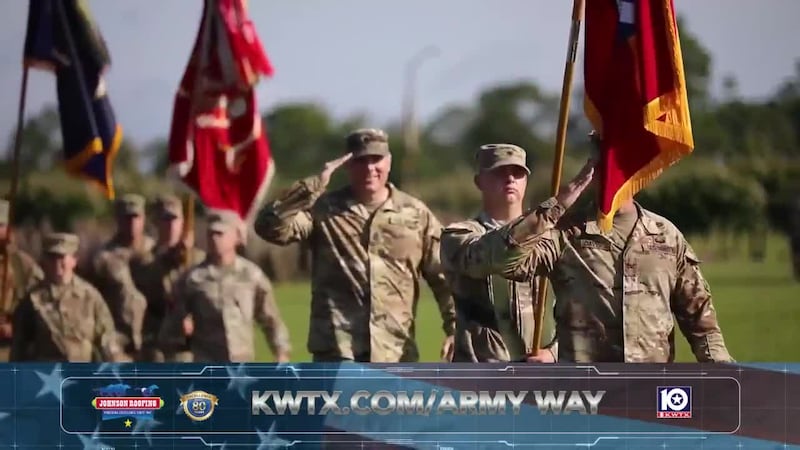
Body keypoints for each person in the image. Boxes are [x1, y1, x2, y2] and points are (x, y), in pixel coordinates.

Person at [445, 138, 733, 363]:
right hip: (582, 394)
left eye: (621, 162)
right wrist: (558, 204)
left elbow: (700, 319)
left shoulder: (666, 236)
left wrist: (725, 377)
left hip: (651, 389)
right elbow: (507, 262)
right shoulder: (564, 234)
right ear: (592, 169)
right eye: (604, 163)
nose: (614, 172)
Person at [254, 128, 456, 363]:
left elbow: (446, 275)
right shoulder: (324, 210)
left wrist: (454, 328)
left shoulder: (417, 215)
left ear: (388, 162)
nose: (370, 168)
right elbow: (270, 228)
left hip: (396, 354)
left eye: (376, 159)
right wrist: (309, 188)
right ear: (347, 165)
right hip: (338, 355)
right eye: (361, 161)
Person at [441, 144, 584, 362]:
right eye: (499, 172)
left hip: (540, 378)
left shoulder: (553, 238)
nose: (510, 179)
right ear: (479, 182)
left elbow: (577, 311)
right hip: (480, 378)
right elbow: (497, 256)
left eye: (517, 173)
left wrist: (553, 353)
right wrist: (554, 208)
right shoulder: (458, 236)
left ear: (526, 181)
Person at [162, 210, 291, 362]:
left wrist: (281, 353)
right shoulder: (192, 279)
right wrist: (181, 327)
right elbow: (169, 332)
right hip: (207, 366)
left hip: (242, 366)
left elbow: (271, 320)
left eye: (220, 234)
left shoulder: (251, 276)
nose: (214, 239)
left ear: (236, 237)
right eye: (211, 234)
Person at [10, 233, 125, 362]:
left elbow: (107, 339)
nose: (57, 264)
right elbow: (20, 347)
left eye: (62, 257)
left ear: (74, 260)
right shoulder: (32, 300)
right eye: (52, 258)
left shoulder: (90, 297)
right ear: (44, 261)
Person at [86, 194, 154, 361]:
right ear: (117, 219)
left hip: (152, 338)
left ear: (144, 219)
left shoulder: (156, 252)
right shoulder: (103, 258)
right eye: (127, 218)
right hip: (117, 340)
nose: (132, 223)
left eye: (136, 217)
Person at [139, 194, 205, 362]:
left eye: (174, 219)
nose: (170, 225)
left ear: (183, 223)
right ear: (156, 222)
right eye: (165, 219)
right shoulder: (144, 261)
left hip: (189, 347)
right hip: (155, 347)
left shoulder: (198, 259)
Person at [0, 199, 44, 361]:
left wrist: (15, 327)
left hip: (11, 353)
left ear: (8, 229)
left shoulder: (22, 265)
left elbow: (43, 305)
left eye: (0, 226)